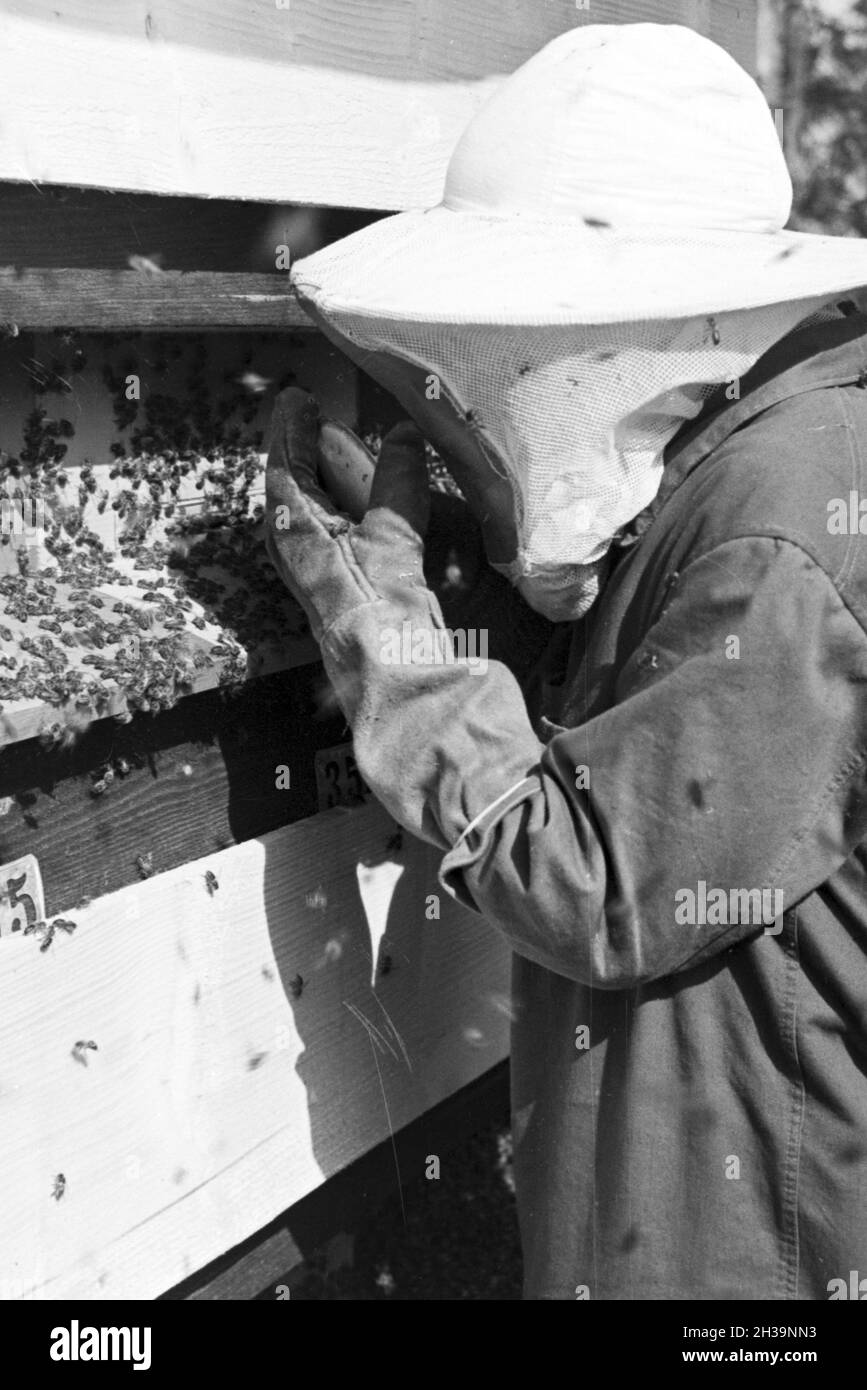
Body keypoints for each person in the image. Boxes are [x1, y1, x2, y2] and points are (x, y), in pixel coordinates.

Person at [265, 23, 867, 1300]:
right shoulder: (765, 455)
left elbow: (596, 877)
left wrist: (394, 646)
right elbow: (651, 726)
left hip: (754, 1254)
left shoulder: (779, 524)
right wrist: (470, 587)